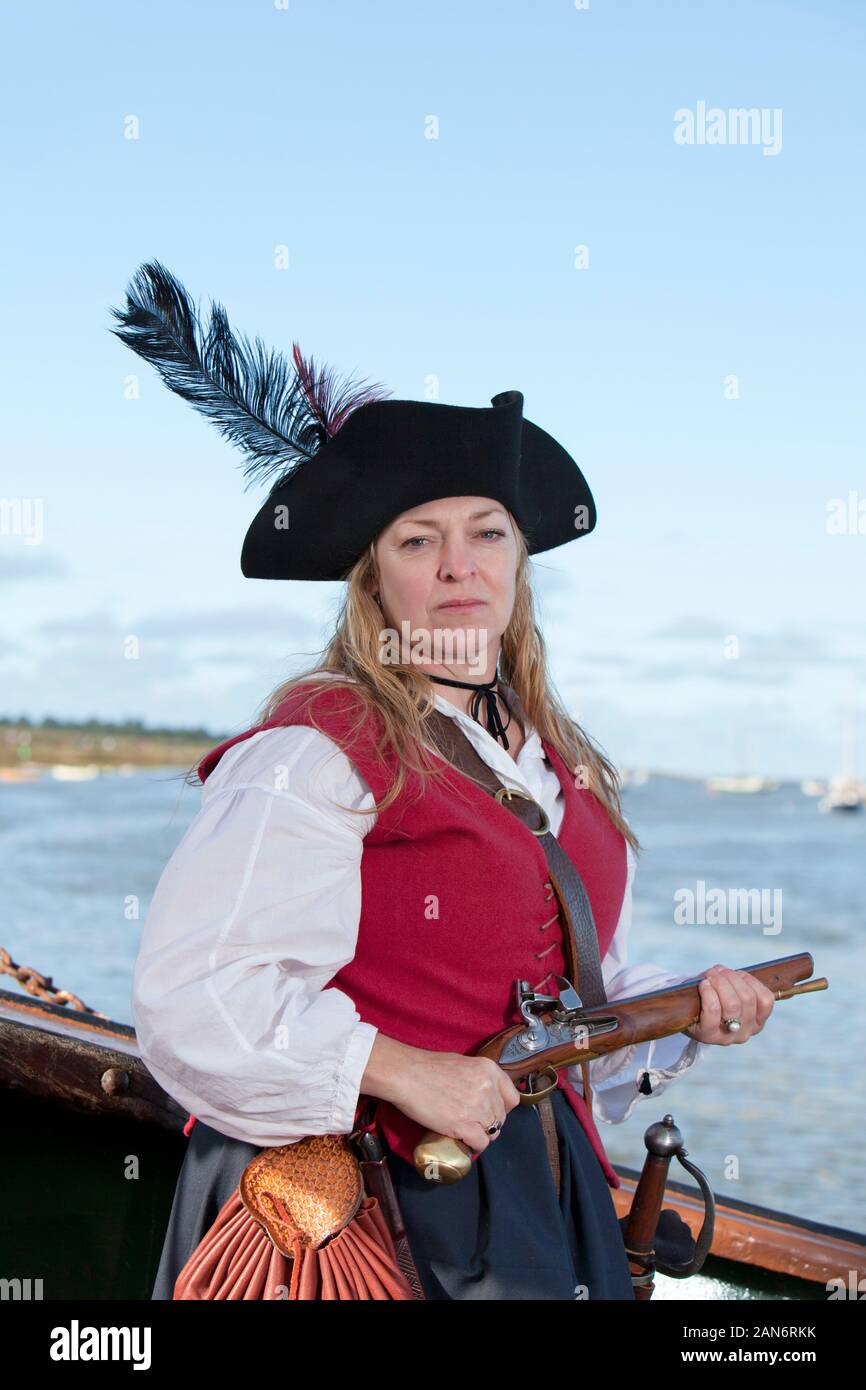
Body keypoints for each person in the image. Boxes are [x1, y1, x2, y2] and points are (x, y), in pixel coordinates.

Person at [112, 262, 776, 1300]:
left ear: (519, 565)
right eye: (419, 540)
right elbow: (197, 999)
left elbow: (563, 1010)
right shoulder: (315, 750)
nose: (458, 565)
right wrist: (394, 1067)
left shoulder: (566, 774)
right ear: (375, 578)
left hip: (535, 1200)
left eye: (486, 534)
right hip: (349, 1213)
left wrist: (681, 1008)